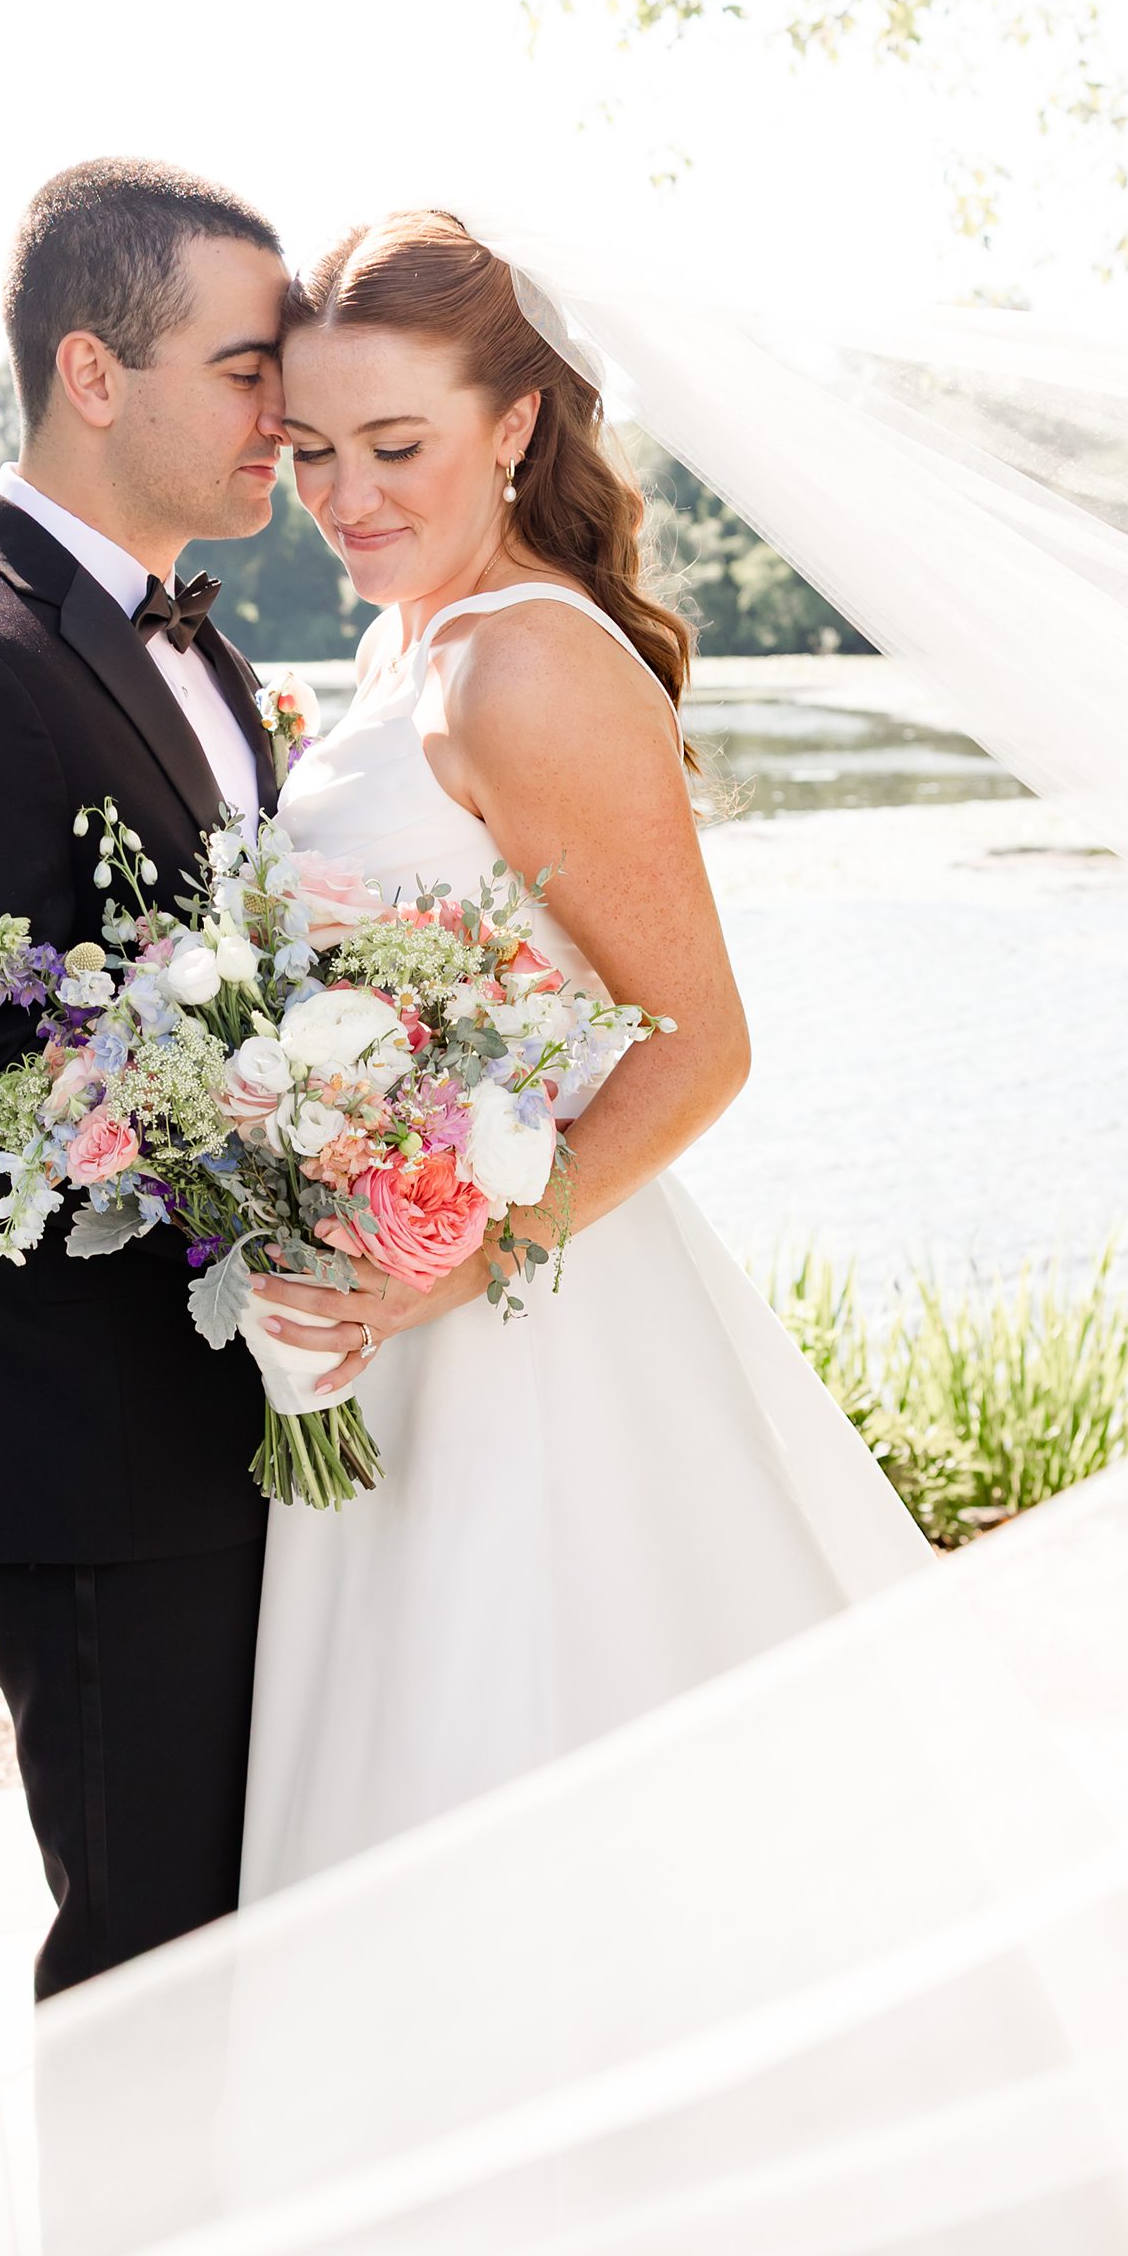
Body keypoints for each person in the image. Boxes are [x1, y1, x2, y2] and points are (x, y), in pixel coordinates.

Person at [241, 208, 929, 1906]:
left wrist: (453, 1264)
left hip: (522, 1326)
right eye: (312, 451)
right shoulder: (414, 640)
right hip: (391, 1322)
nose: (347, 498)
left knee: (550, 1776)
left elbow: (699, 1052)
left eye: (396, 445)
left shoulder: (532, 663)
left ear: (519, 424)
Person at [0, 157, 292, 1996]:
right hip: (103, 1467)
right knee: (155, 1977)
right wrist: (296, 1136)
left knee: (271, 1948)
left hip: (245, 1431)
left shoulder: (188, 634)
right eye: (248, 368)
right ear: (96, 375)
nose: (289, 409)